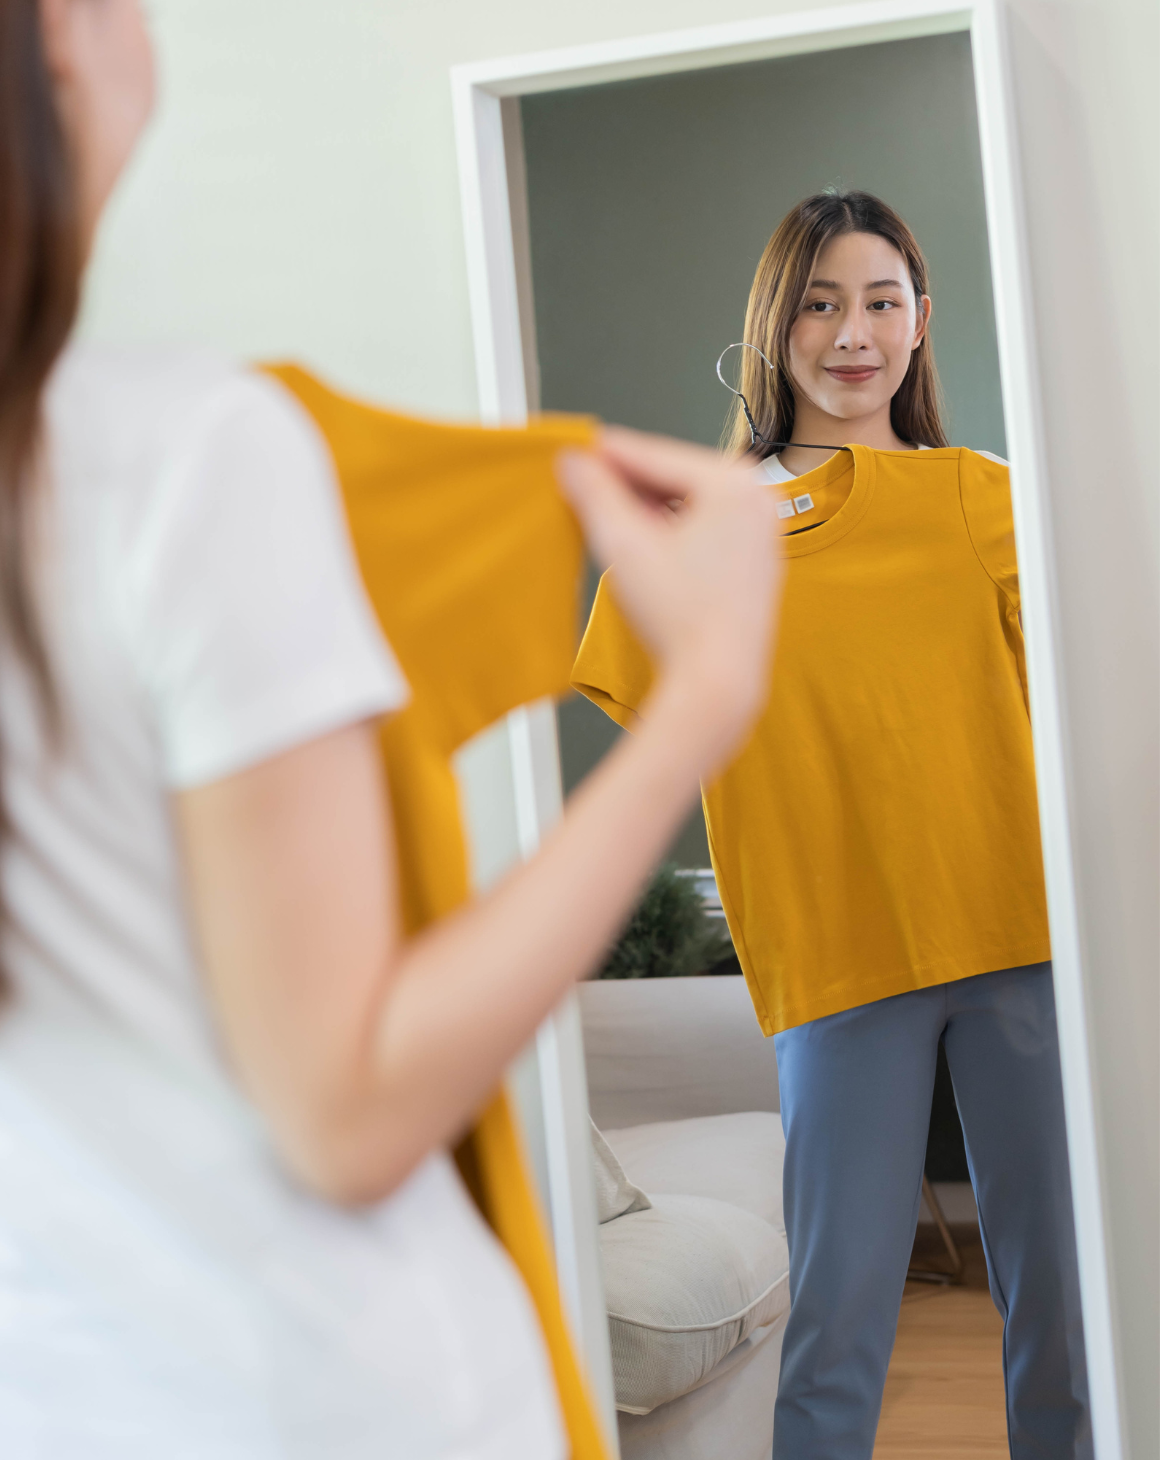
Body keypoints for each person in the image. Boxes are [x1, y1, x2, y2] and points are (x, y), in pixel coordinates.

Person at [0, 2, 782, 1456]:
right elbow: (349, 1108)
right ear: (55, 40)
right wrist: (701, 708)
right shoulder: (190, 457)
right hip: (326, 1393)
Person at [572, 191, 1092, 1459]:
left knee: (1067, 1303)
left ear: (921, 325)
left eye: (878, 300)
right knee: (840, 1312)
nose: (849, 331)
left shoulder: (984, 498)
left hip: (1018, 931)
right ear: (771, 325)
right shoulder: (695, 525)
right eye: (817, 301)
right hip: (836, 958)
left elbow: (1089, 706)